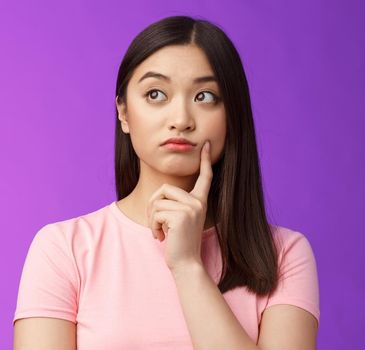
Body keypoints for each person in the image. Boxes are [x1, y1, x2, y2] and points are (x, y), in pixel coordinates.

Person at [13, 15, 319, 349]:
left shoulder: (284, 256)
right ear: (124, 113)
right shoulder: (63, 249)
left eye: (204, 97)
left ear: (232, 115)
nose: (181, 120)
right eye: (156, 94)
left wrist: (188, 267)